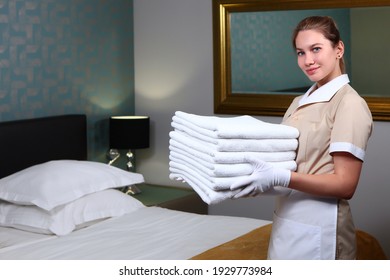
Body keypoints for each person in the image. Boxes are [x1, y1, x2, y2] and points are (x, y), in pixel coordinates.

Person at [230, 16, 373, 260]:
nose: (308, 60)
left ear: (338, 49)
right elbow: (291, 163)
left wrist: (282, 177)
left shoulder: (348, 103)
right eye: (300, 52)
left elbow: (345, 185)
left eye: (316, 49)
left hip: (322, 226)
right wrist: (256, 182)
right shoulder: (299, 102)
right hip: (287, 219)